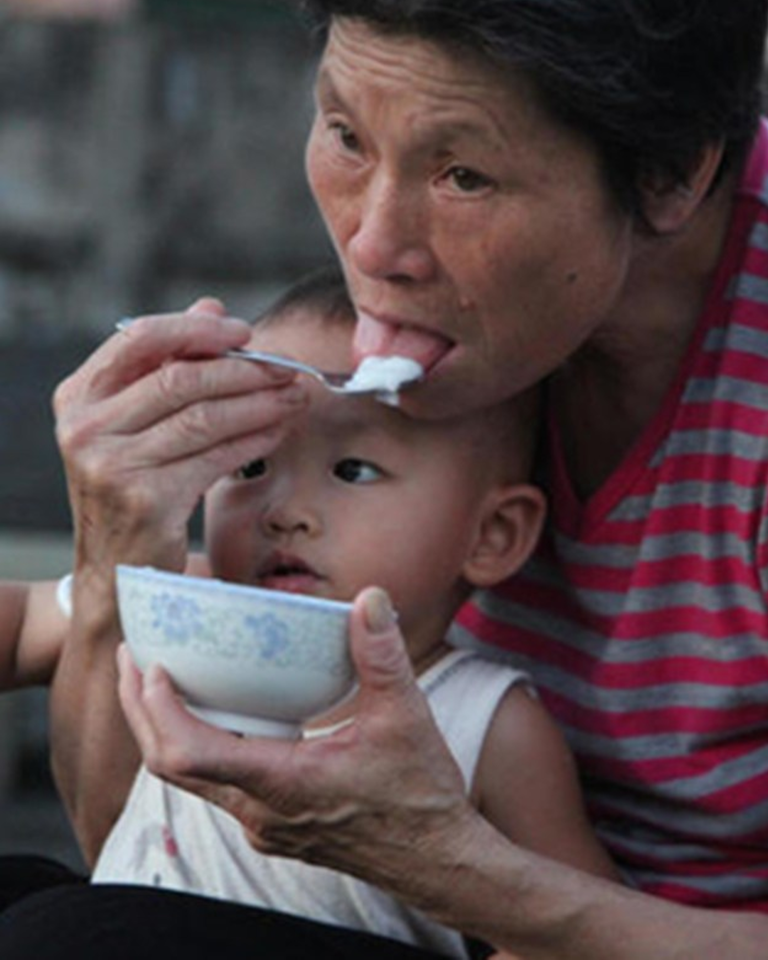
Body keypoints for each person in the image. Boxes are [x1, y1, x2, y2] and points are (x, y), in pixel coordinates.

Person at [1, 0, 767, 957]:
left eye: (463, 176)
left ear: (674, 173)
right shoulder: (429, 346)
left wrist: (456, 869)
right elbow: (129, 852)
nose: (371, 247)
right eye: (345, 134)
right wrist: (120, 544)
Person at [93, 266, 617, 958]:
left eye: (354, 471)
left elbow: (569, 934)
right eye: (249, 467)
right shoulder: (180, 608)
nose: (285, 512)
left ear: (492, 534)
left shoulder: (482, 724)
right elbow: (26, 624)